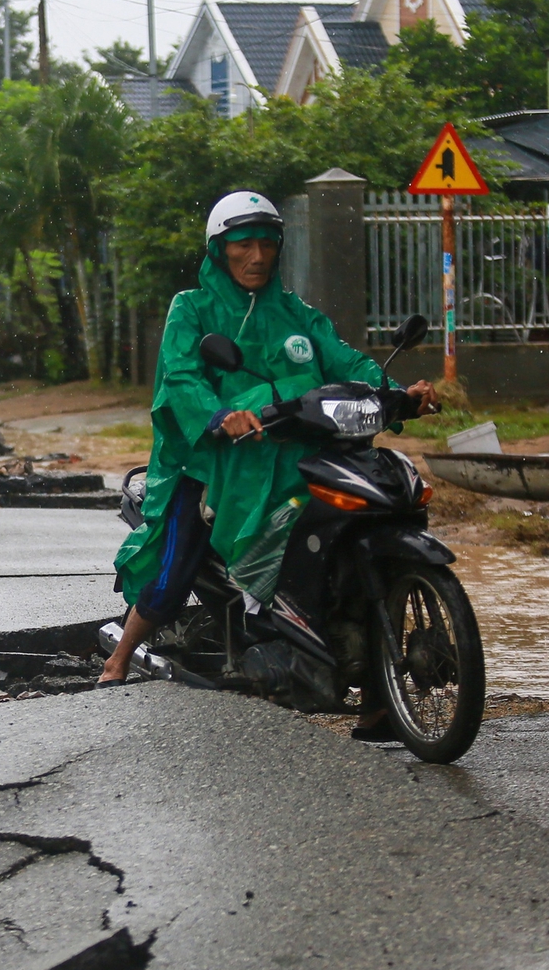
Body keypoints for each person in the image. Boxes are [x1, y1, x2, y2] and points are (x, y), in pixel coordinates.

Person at [99, 191, 438, 726]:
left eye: (266, 244)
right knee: (175, 565)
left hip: (297, 450)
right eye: (243, 245)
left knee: (350, 538)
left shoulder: (296, 313)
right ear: (219, 250)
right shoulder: (191, 309)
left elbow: (346, 361)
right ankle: (119, 658)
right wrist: (218, 416)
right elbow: (181, 379)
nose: (256, 256)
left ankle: (375, 690)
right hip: (210, 459)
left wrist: (398, 392)